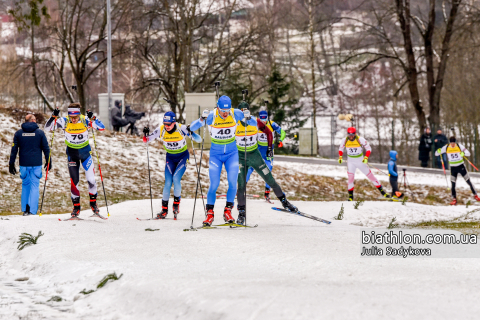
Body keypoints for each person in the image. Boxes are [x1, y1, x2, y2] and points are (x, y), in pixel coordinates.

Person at [189, 95, 255, 226]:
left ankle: (228, 211)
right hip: (215, 155)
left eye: (227, 110)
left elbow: (254, 124)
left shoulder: (235, 113)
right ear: (217, 108)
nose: (225, 113)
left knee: (232, 182)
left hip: (232, 153)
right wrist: (202, 118)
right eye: (222, 111)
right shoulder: (212, 116)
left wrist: (248, 117)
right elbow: (192, 127)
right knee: (214, 184)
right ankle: (209, 214)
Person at [235, 101, 297, 225]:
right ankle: (241, 213)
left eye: (246, 110)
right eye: (241, 111)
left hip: (255, 156)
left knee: (270, 180)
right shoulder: (233, 123)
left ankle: (285, 202)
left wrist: (270, 148)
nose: (244, 113)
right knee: (241, 185)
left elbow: (269, 133)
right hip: (242, 158)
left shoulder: (255, 121)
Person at [45, 103, 105, 217]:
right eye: (71, 117)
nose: (73, 119)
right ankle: (76, 208)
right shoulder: (64, 121)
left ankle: (94, 205)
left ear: (79, 114)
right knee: (74, 182)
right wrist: (53, 117)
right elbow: (47, 128)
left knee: (91, 180)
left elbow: (102, 127)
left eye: (75, 117)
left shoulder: (85, 120)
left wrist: (94, 118)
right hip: (72, 155)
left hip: (85, 154)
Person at [143, 111, 201, 219]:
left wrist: (191, 132)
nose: (167, 126)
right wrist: (145, 134)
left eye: (169, 124)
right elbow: (146, 140)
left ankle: (176, 206)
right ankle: (164, 210)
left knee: (176, 179)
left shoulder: (181, 128)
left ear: (174, 123)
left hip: (182, 158)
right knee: (167, 183)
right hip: (170, 158)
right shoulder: (161, 129)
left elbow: (198, 139)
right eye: (165, 124)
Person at [9, 114, 51, 215]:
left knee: (25, 185)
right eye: (35, 119)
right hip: (36, 164)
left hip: (23, 164)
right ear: (32, 120)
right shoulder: (40, 133)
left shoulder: (18, 133)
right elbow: (46, 148)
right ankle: (32, 211)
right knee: (34, 186)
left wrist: (11, 163)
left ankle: (25, 210)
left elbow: (14, 149)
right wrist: (49, 160)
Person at [338, 127, 390, 201]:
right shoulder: (345, 140)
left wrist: (366, 157)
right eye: (349, 135)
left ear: (355, 134)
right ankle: (350, 197)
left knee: (371, 176)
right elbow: (340, 149)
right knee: (350, 179)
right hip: (351, 162)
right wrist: (340, 157)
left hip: (360, 161)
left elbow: (369, 149)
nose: (351, 137)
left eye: (352, 135)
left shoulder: (360, 139)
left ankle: (383, 192)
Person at [246, 109, 286, 202]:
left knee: (268, 171)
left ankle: (267, 193)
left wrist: (280, 140)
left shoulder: (272, 124)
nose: (263, 121)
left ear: (267, 118)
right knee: (250, 168)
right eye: (261, 119)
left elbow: (283, 132)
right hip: (258, 150)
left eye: (265, 119)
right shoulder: (255, 123)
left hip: (268, 151)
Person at [435, 136, 480, 205]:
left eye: (454, 143)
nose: (453, 145)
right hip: (453, 168)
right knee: (453, 184)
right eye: (451, 143)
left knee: (468, 181)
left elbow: (468, 153)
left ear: (455, 142)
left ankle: (476, 195)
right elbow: (436, 153)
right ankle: (454, 199)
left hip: (461, 166)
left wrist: (463, 153)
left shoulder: (459, 146)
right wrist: (438, 151)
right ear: (450, 143)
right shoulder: (446, 147)